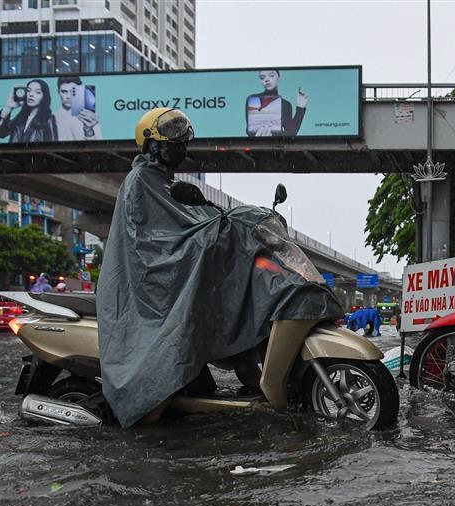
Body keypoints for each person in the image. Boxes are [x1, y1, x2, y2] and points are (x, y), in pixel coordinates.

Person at [97, 108, 342, 427]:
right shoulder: (141, 181)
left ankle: (257, 377)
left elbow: (190, 222)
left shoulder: (165, 183)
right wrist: (217, 232)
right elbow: (157, 243)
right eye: (172, 138)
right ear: (151, 144)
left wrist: (228, 225)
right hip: (152, 290)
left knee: (239, 299)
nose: (181, 145)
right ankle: (146, 422)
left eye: (183, 138)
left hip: (167, 276)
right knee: (169, 362)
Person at [0, 79, 57, 143]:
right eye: (28, 91)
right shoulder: (20, 118)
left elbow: (54, 145)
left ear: (44, 96)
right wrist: (8, 107)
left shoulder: (49, 119)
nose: (31, 94)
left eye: (38, 92)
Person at [245, 69, 307, 137]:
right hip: (256, 145)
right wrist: (256, 139)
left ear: (279, 78)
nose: (266, 80)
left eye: (271, 75)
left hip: (278, 144)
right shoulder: (253, 99)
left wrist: (300, 107)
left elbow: (291, 133)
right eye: (262, 77)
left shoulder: (286, 104)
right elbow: (250, 130)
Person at [54, 76, 102, 141]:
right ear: (58, 92)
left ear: (79, 91)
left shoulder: (89, 116)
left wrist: (89, 130)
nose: (68, 96)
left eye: (72, 91)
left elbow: (98, 144)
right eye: (64, 92)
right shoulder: (53, 118)